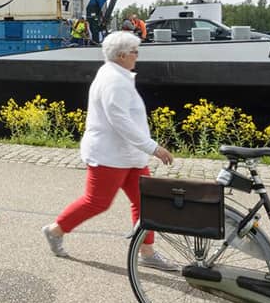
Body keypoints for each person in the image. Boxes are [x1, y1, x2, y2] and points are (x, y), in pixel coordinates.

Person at [43, 31, 175, 267]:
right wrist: (153, 148)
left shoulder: (117, 75)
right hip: (110, 156)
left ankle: (147, 252)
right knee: (97, 202)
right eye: (135, 51)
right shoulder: (114, 81)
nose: (137, 56)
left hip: (129, 155)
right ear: (122, 55)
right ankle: (55, 230)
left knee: (146, 202)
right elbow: (120, 120)